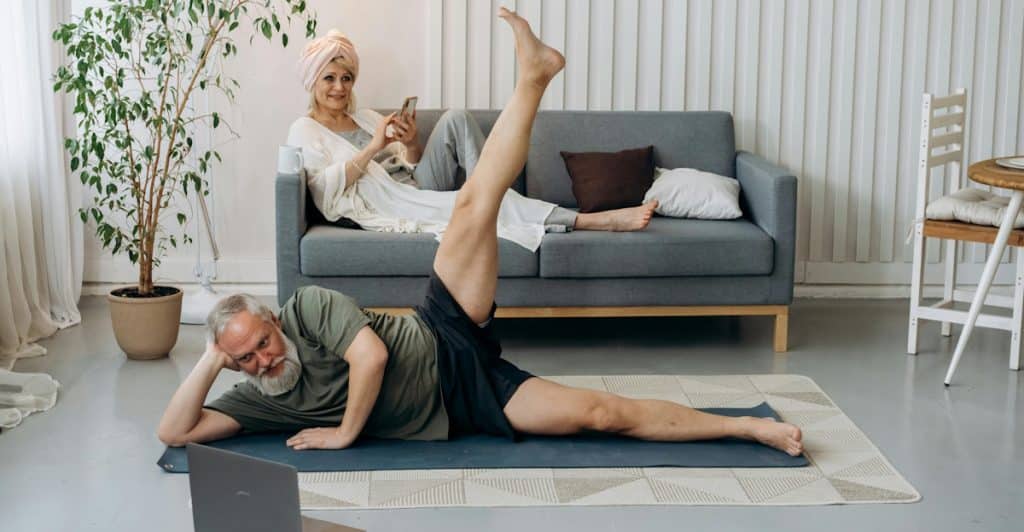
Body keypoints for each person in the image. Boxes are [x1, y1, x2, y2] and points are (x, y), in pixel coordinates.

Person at [158, 8, 803, 458]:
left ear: (274, 320)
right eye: (248, 359)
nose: (265, 359)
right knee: (601, 414)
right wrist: (216, 356)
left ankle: (534, 75)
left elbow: (373, 357)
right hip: (470, 398)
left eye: (262, 342)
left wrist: (344, 434)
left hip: (441, 331)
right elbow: (176, 431)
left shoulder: (307, 309)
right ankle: (746, 431)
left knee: (474, 206)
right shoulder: (262, 395)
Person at [286, 27, 659, 251]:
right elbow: (325, 192)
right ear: (313, 82)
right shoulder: (305, 129)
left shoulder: (365, 117)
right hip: (392, 202)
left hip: (413, 184)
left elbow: (410, 164)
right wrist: (373, 147)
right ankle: (598, 221)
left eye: (346, 78)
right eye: (329, 78)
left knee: (457, 118)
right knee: (491, 202)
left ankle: (490, 191)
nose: (339, 87)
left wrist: (412, 142)